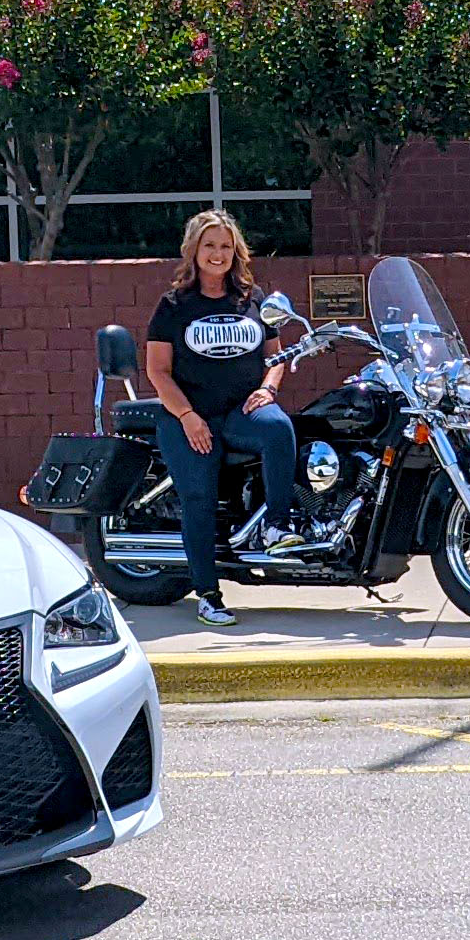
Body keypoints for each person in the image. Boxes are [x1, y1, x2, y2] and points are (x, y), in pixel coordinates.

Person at [141, 207, 302, 628]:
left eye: (226, 246)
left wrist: (268, 388)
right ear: (193, 251)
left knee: (280, 429)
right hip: (188, 417)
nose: (218, 253)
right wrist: (189, 417)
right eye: (210, 245)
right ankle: (209, 596)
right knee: (199, 499)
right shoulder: (174, 305)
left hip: (238, 412)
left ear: (237, 251)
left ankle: (275, 525)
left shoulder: (252, 298)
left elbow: (276, 356)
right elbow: (157, 371)